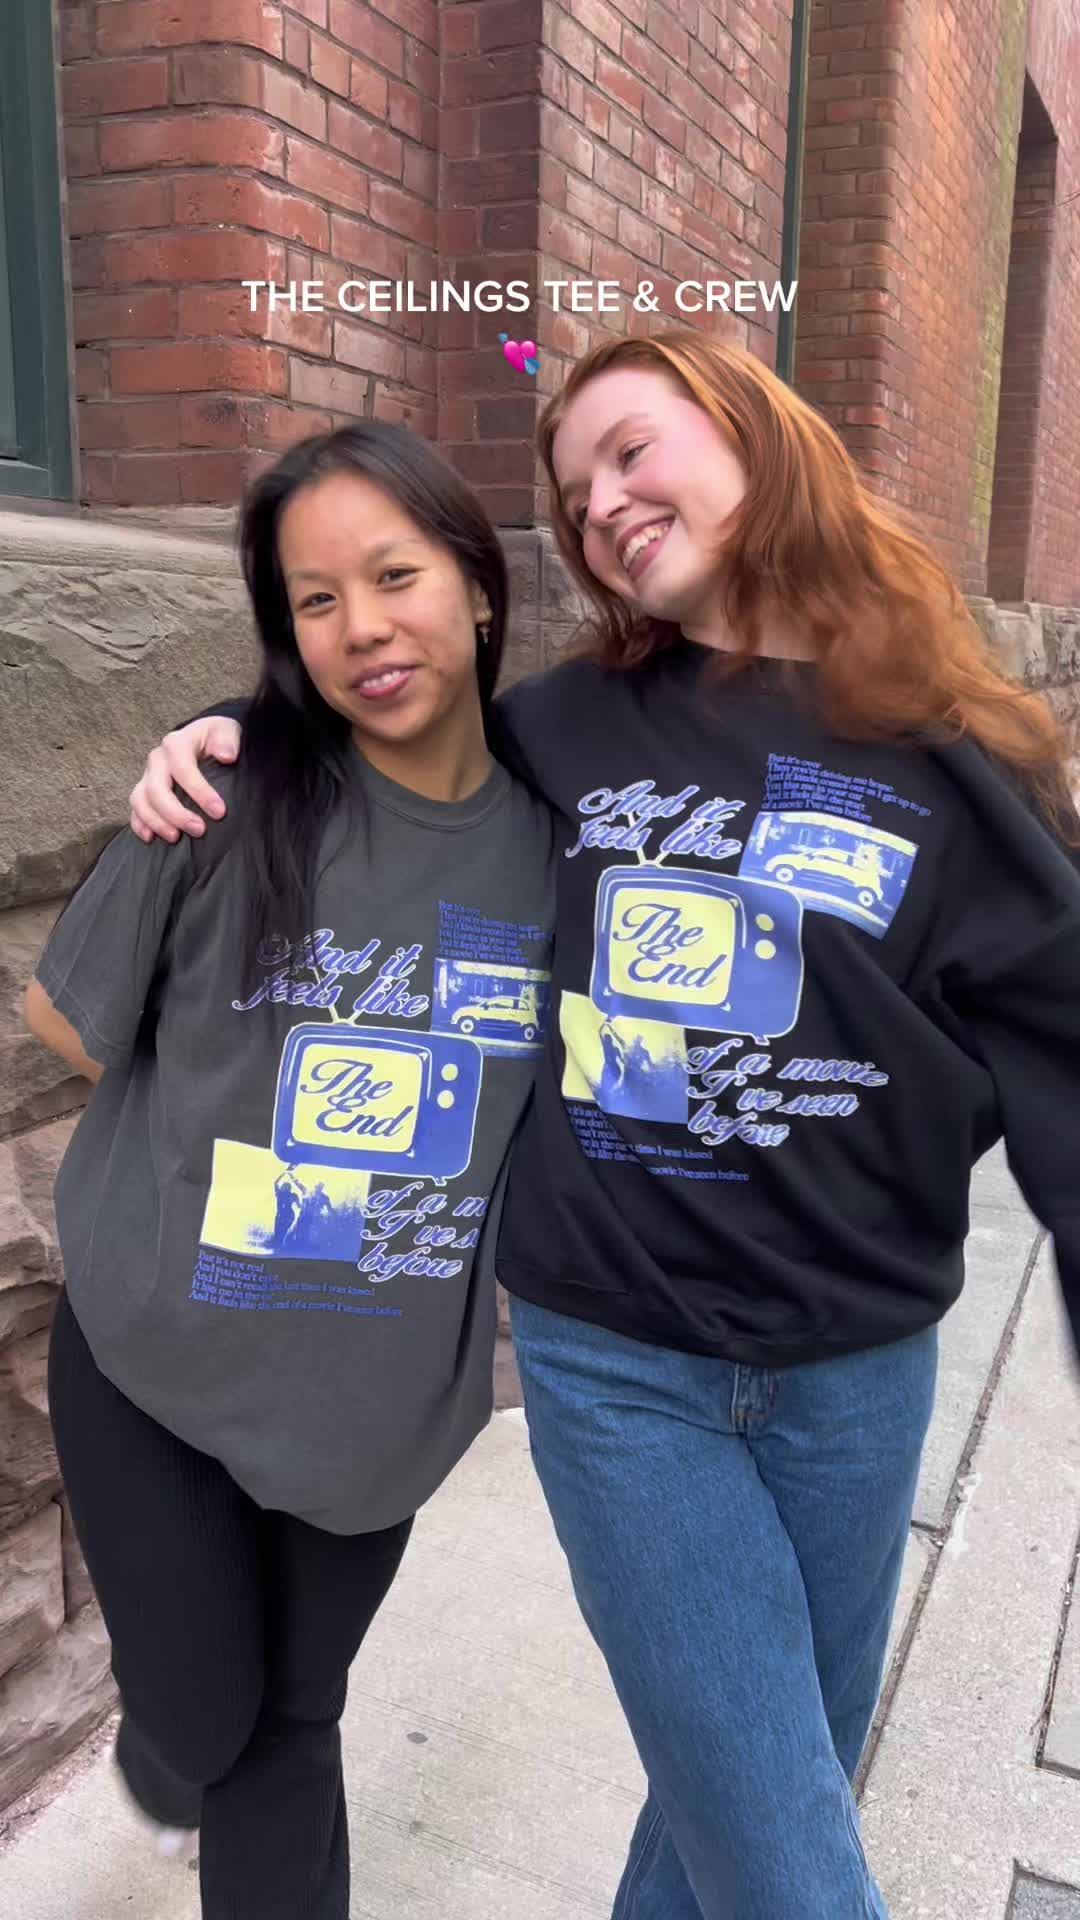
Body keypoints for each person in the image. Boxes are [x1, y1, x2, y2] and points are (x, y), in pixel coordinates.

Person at [125, 328, 1080, 1920]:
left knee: (738, 1811)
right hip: (620, 1361)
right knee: (787, 1864)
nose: (604, 505)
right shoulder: (562, 729)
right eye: (576, 496)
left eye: (632, 451)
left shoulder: (947, 748)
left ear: (751, 432)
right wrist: (223, 738)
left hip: (856, 1372)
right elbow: (381, 747)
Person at [24, 422, 554, 1920]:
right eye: (314, 599)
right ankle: (166, 1738)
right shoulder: (226, 789)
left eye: (394, 576)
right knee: (209, 1723)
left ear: (478, 585)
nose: (360, 626)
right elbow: (65, 1021)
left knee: (293, 1728)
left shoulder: (561, 848)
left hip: (374, 1415)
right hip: (159, 1360)